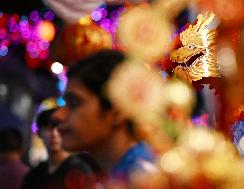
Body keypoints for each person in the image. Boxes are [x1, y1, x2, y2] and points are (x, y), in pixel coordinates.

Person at [53, 49, 155, 183]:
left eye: (74, 103)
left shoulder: (146, 180)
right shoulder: (128, 173)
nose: (57, 115)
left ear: (117, 110)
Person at [21, 107, 94, 189]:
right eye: (48, 128)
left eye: (60, 129)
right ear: (39, 133)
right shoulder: (34, 174)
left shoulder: (79, 171)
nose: (54, 134)